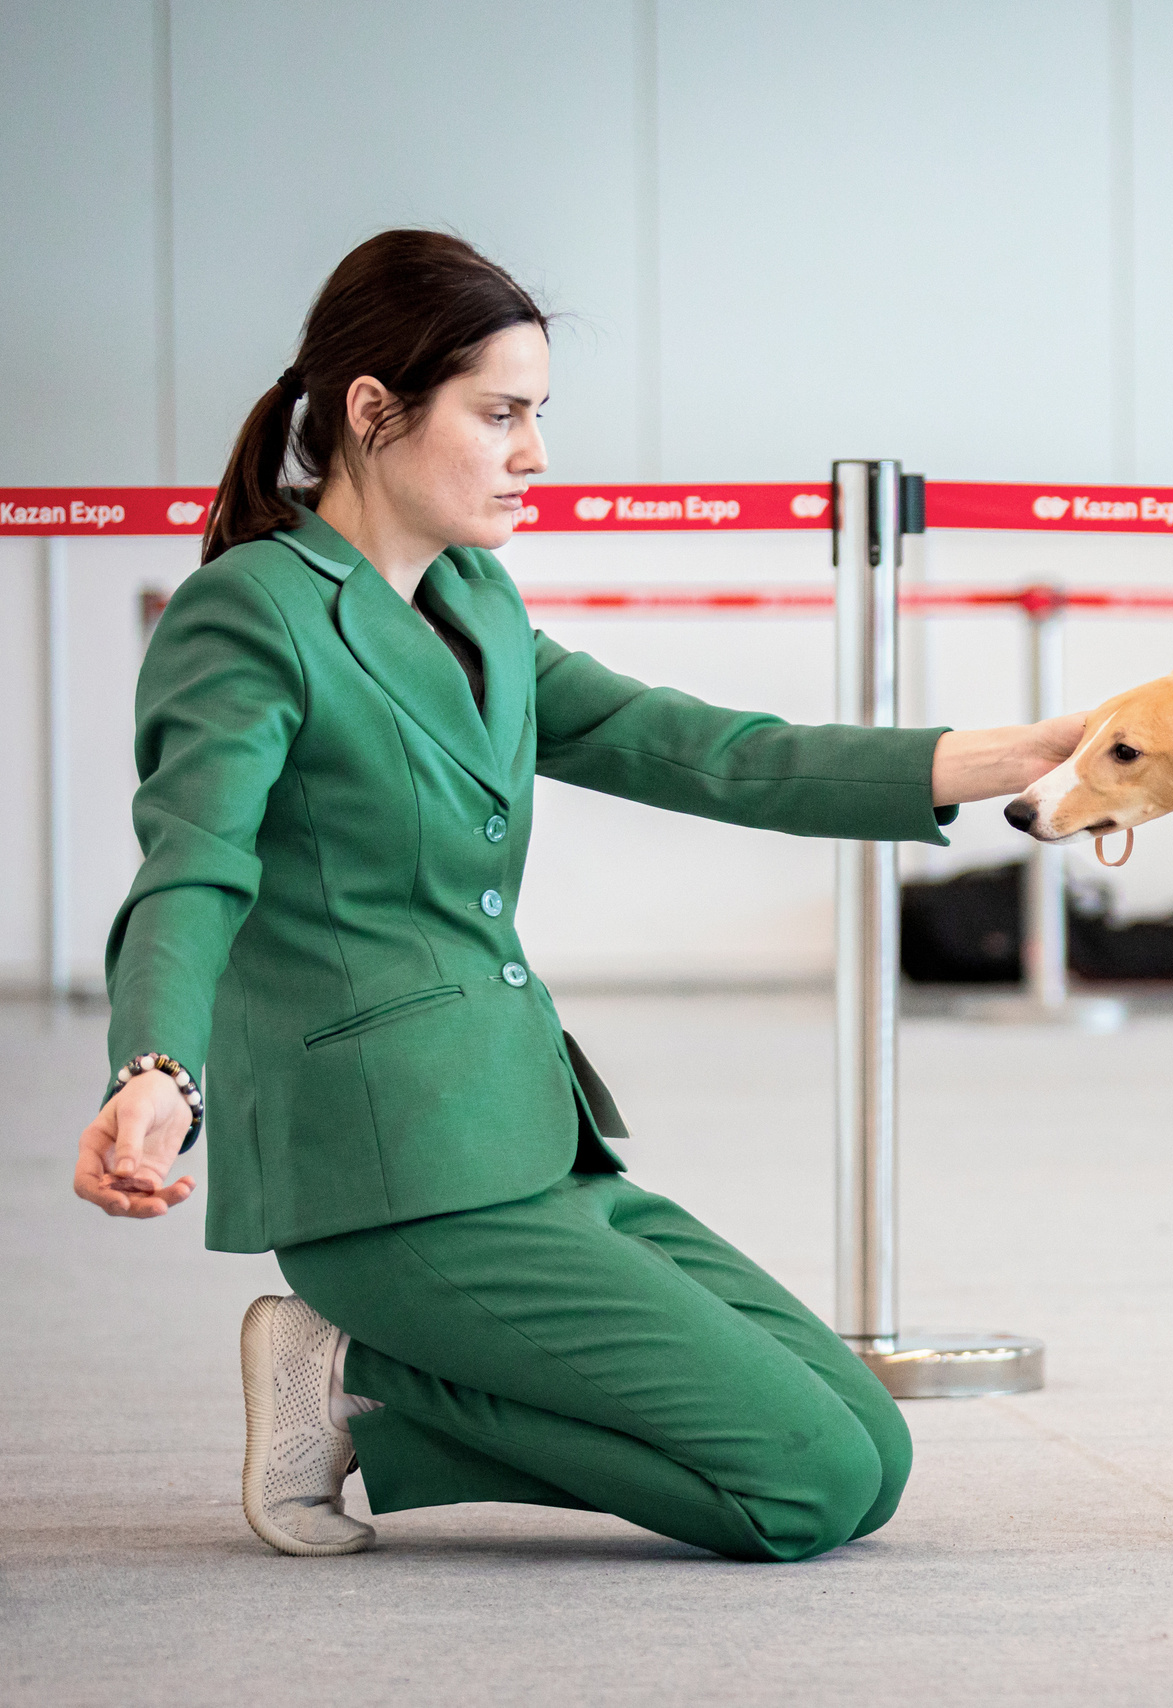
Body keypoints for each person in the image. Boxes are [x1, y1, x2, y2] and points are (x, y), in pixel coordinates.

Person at [69, 230, 1084, 1560]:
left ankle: (355, 1392)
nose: (534, 453)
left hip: (527, 1138)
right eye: (499, 415)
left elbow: (702, 749)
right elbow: (193, 865)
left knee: (872, 1452)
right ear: (374, 412)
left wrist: (1015, 756)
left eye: (538, 414)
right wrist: (156, 1071)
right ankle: (366, 1397)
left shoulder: (475, 600)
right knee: (809, 1487)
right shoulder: (246, 616)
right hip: (386, 1177)